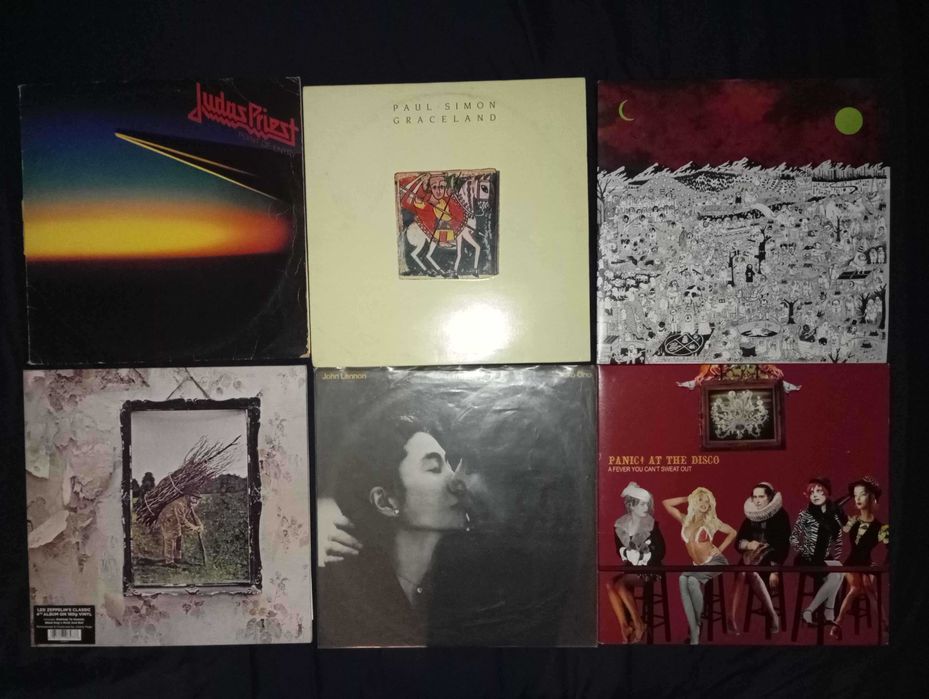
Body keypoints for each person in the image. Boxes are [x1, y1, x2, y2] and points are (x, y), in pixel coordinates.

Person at [317, 399, 468, 646]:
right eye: (434, 468)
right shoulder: (336, 596)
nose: (456, 481)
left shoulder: (467, 580)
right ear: (386, 502)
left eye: (449, 463)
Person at [663, 487, 736, 644]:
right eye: (700, 500)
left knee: (691, 580)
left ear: (710, 505)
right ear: (694, 501)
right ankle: (694, 628)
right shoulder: (685, 520)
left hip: (716, 562)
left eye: (707, 501)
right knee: (682, 579)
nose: (704, 503)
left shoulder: (712, 521)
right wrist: (687, 498)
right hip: (698, 565)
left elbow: (733, 532)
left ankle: (696, 631)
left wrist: (720, 549)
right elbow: (666, 503)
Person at [605, 482, 666, 643]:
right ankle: (625, 626)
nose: (646, 507)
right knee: (609, 584)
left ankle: (639, 624)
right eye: (642, 504)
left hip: (651, 570)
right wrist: (627, 553)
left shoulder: (651, 524)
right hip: (631, 570)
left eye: (647, 504)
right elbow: (619, 549)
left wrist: (643, 556)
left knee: (620, 585)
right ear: (631, 506)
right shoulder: (620, 525)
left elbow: (661, 551)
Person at [727, 482, 790, 634]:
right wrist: (749, 544)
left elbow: (783, 546)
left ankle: (773, 615)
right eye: (754, 497)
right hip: (751, 559)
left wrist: (775, 570)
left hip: (771, 560)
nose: (757, 500)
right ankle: (731, 618)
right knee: (742, 572)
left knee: (748, 571)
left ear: (770, 498)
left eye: (761, 497)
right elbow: (738, 542)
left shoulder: (781, 516)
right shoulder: (751, 516)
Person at [790, 477, 848, 634]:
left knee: (839, 569)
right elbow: (793, 538)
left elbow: (840, 535)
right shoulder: (806, 514)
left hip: (823, 558)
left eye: (819, 491)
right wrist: (805, 549)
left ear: (827, 493)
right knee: (835, 574)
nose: (814, 495)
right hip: (806, 559)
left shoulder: (832, 514)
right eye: (811, 492)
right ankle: (815, 612)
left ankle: (819, 612)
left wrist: (836, 513)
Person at [832, 477, 886, 638]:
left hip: (867, 563)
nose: (858, 498)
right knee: (856, 587)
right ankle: (837, 623)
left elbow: (891, 549)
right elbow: (835, 508)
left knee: (870, 589)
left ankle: (885, 625)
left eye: (862, 494)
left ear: (872, 497)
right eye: (855, 495)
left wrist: (882, 565)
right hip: (851, 563)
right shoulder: (853, 521)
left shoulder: (881, 528)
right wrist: (849, 495)